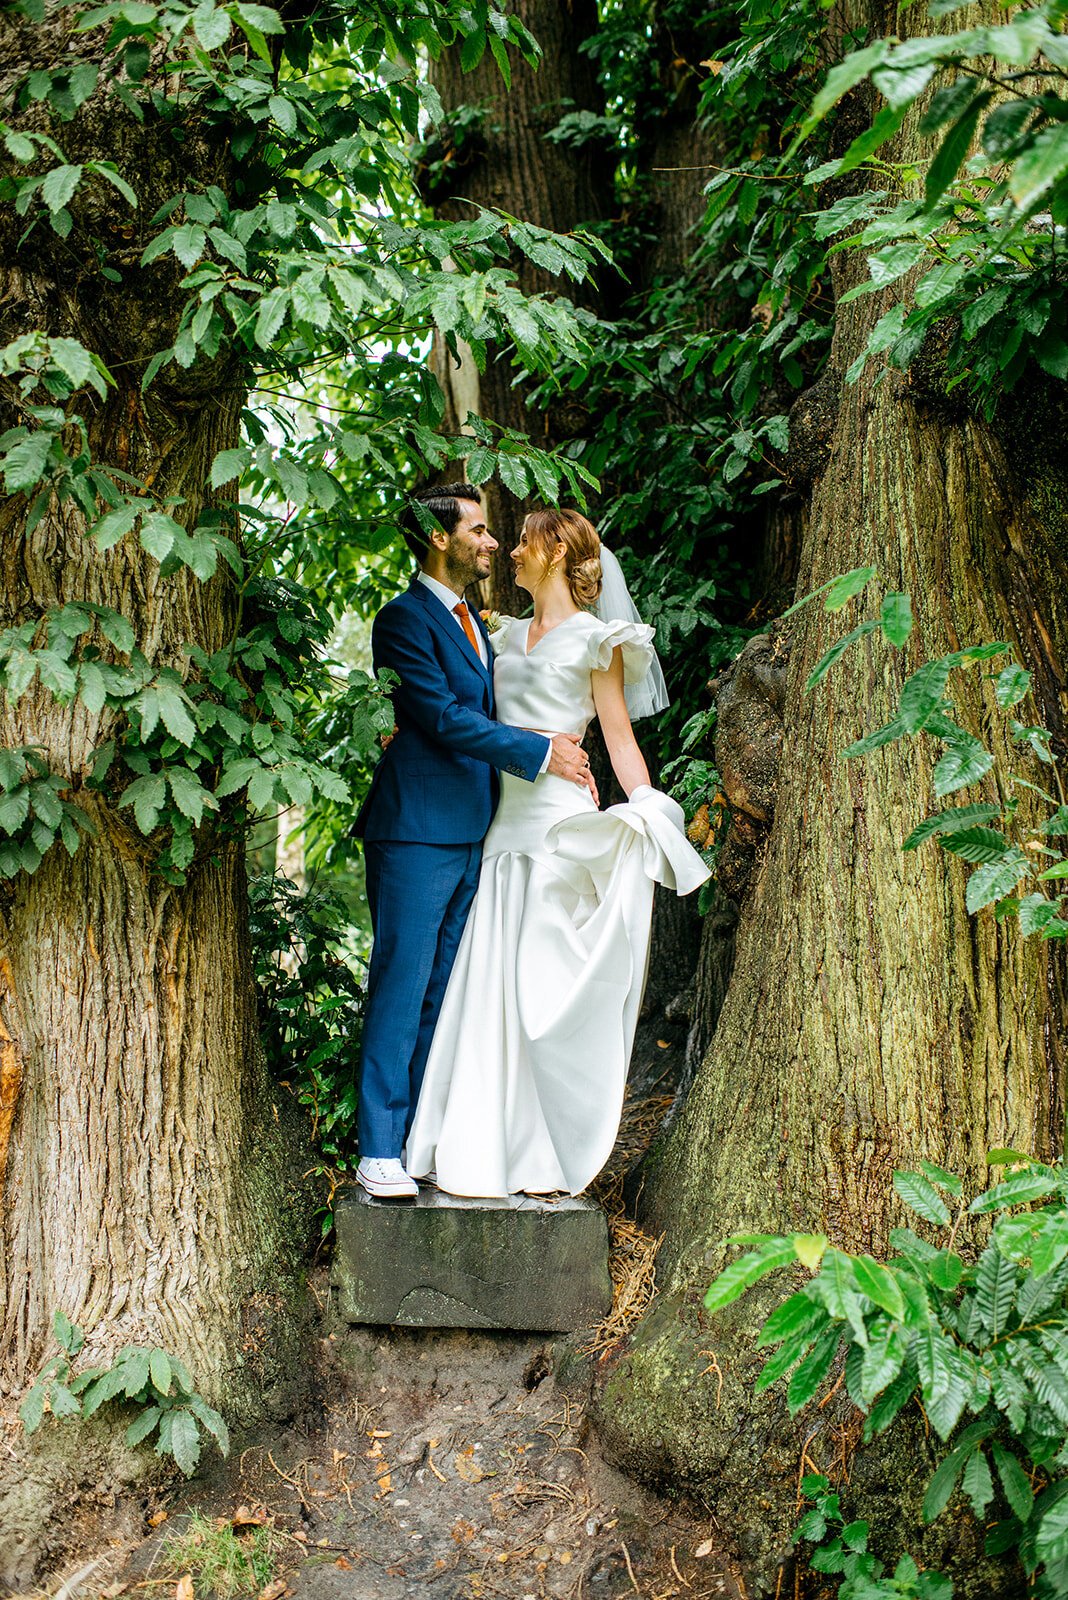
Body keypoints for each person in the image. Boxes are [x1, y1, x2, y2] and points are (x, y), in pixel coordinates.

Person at [405, 508, 711, 1199]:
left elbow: (619, 738)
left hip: (557, 829)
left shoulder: (598, 641)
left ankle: (542, 1151)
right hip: (501, 825)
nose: (509, 551)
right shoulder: (501, 637)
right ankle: (476, 1146)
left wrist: (645, 804)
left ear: (556, 552)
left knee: (541, 986)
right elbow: (469, 721)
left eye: (523, 542)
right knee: (489, 985)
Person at [352, 485, 596, 1200]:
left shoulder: (472, 622)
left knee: (440, 990)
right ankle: (378, 1149)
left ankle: (418, 1137)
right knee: (401, 986)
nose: (491, 543)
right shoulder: (402, 619)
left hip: (476, 831)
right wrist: (538, 751)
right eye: (480, 530)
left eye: (493, 533)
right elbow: (440, 716)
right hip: (416, 829)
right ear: (439, 538)